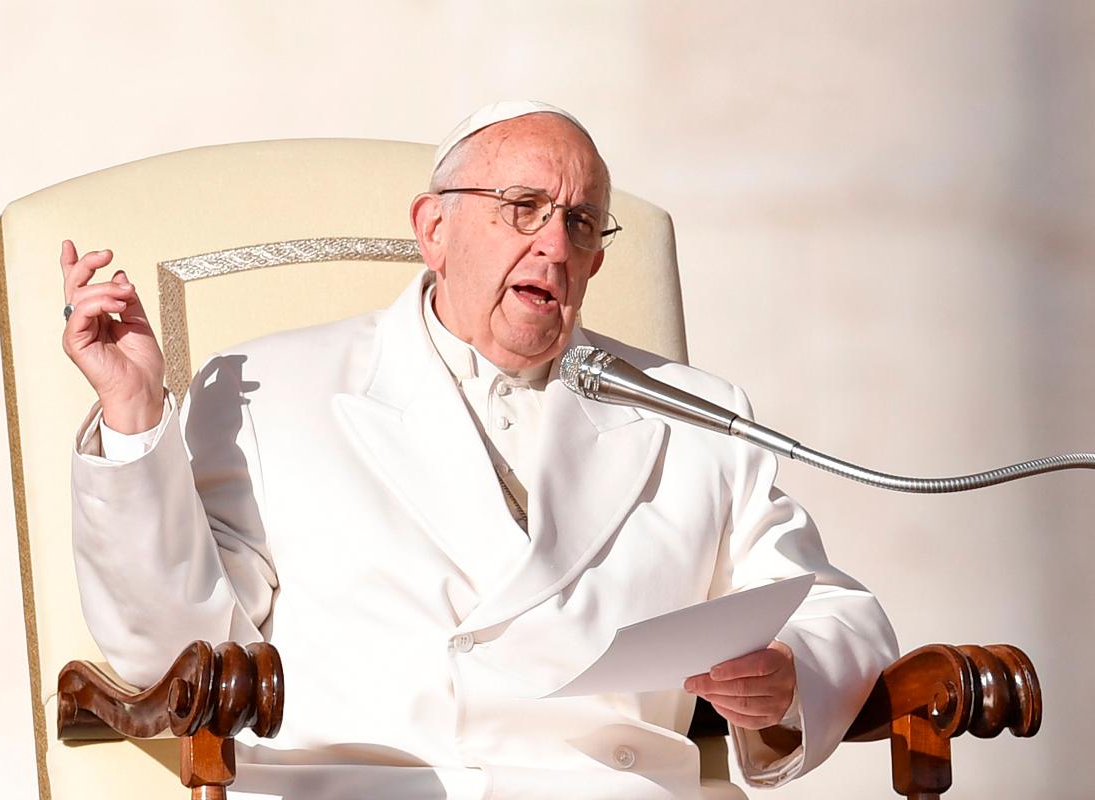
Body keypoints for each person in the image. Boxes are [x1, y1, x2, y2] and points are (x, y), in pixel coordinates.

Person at [63, 100, 897, 800]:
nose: (555, 245)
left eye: (578, 222)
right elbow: (175, 650)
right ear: (434, 228)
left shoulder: (695, 415)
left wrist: (791, 675)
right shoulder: (271, 387)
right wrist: (134, 412)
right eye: (522, 207)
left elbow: (835, 610)